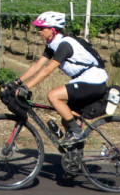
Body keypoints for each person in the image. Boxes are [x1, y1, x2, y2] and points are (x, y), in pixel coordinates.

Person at [12, 11, 108, 145]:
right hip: (83, 80)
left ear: (52, 30)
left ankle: (76, 132)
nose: (39, 31)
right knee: (66, 119)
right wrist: (17, 82)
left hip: (93, 81)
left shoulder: (65, 45)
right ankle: (75, 154)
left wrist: (26, 87)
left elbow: (47, 70)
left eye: (41, 28)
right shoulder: (53, 44)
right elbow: (37, 65)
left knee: (53, 96)